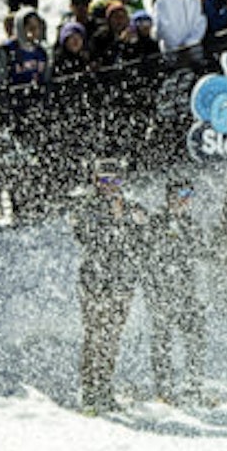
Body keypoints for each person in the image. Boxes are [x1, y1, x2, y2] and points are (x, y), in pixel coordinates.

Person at [71, 161, 145, 413]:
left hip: (121, 283)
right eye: (105, 180)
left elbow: (141, 241)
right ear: (96, 181)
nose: (110, 186)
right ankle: (89, 392)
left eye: (115, 180)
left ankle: (105, 389)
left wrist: (132, 221)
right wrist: (114, 219)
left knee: (112, 339)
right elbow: (86, 238)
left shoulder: (130, 206)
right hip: (95, 282)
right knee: (94, 337)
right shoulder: (86, 206)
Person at [141, 178, 207, 405]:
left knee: (195, 338)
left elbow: (200, 253)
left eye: (189, 195)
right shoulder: (156, 222)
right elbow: (146, 257)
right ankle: (164, 388)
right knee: (162, 341)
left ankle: (193, 387)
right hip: (162, 292)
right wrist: (152, 290)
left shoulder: (190, 224)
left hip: (187, 292)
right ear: (170, 197)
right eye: (182, 194)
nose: (186, 200)